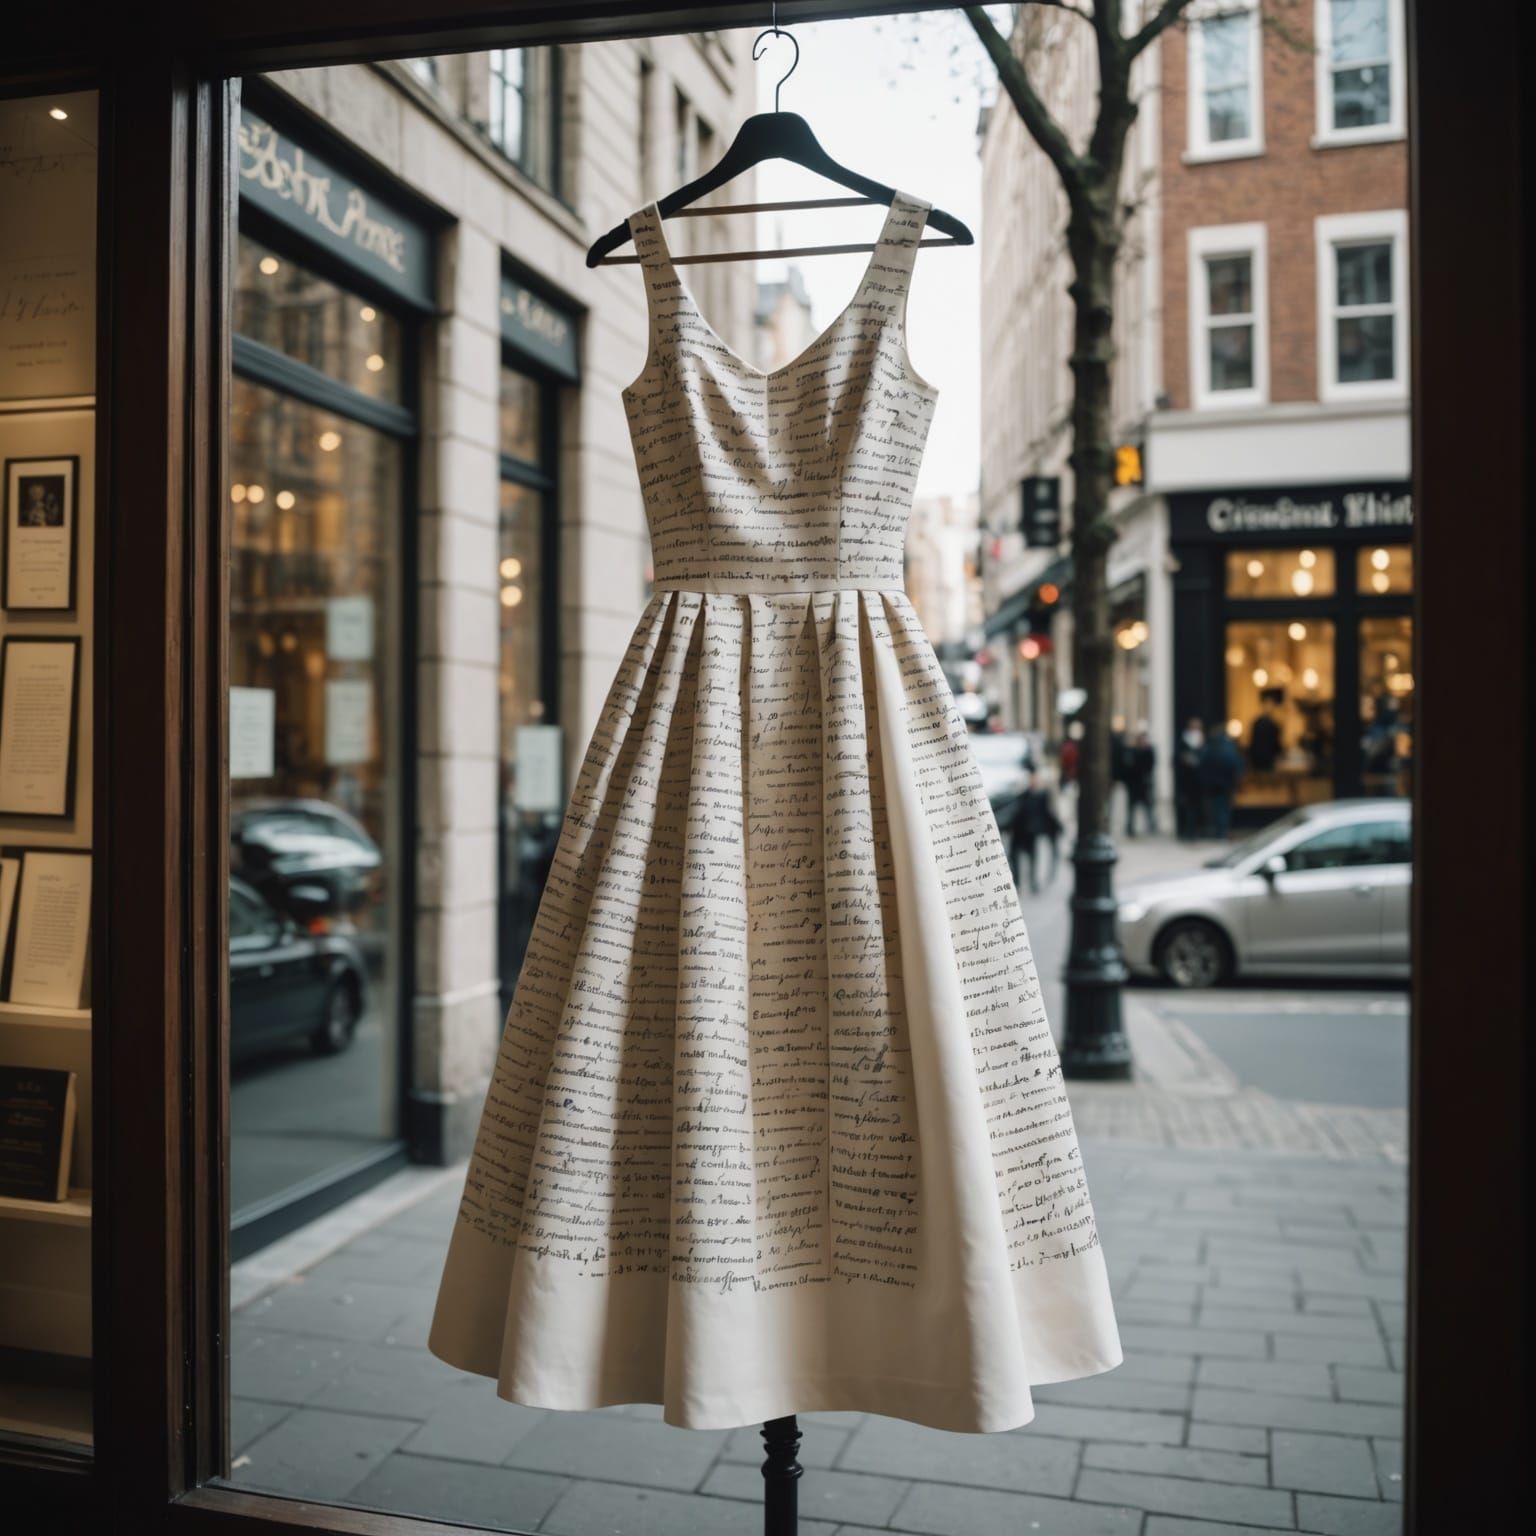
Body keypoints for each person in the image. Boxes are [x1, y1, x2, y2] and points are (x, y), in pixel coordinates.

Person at [1010, 771, 1063, 893]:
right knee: (1016, 857)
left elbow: (1049, 813)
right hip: (1019, 832)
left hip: (1030, 833)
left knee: (1032, 858)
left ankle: (1032, 882)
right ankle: (1019, 882)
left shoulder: (1041, 796)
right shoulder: (1023, 795)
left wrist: (1057, 826)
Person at [1198, 725, 1243, 839]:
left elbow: (1203, 765)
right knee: (1224, 808)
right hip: (1227, 784)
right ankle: (1223, 831)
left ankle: (1220, 831)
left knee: (1217, 808)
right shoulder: (1230, 748)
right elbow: (1237, 765)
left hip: (1214, 784)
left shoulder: (1210, 748)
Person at [1174, 718, 1205, 840]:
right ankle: (1185, 831)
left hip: (1198, 782)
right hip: (1185, 781)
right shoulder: (1183, 740)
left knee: (1197, 807)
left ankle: (1195, 830)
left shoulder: (1202, 741)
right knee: (1186, 806)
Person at [1125, 726, 1156, 836]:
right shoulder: (1132, 751)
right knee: (1132, 807)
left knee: (1148, 806)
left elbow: (1151, 765)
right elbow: (1128, 766)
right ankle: (1130, 827)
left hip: (1144, 783)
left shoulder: (1149, 750)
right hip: (1134, 783)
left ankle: (1151, 826)